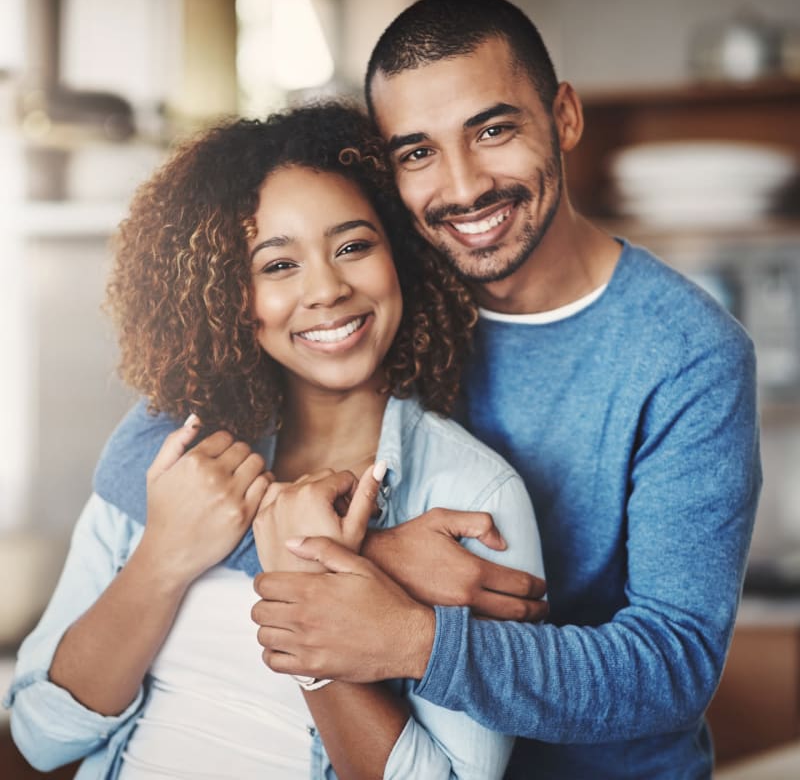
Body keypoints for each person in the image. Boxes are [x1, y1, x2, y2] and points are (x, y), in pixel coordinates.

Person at [246, 0, 763, 780]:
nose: (462, 186)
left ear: (563, 117)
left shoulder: (688, 352)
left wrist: (412, 636)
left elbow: (672, 668)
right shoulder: (375, 308)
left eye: (492, 130)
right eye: (417, 152)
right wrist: (379, 561)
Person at [4, 102, 546, 779]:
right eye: (278, 265)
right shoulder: (175, 454)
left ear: (402, 256)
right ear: (231, 295)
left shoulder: (470, 497)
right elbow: (40, 734)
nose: (325, 288)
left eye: (353, 246)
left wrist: (307, 600)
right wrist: (165, 556)